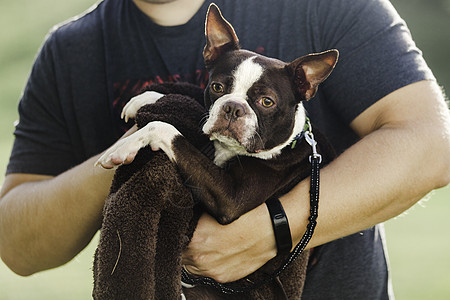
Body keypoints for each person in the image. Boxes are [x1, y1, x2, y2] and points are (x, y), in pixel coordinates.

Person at [0, 0, 449, 298]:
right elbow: (16, 245)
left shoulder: (324, 4)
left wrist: (272, 228)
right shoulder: (69, 50)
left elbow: (433, 146)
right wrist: (140, 147)